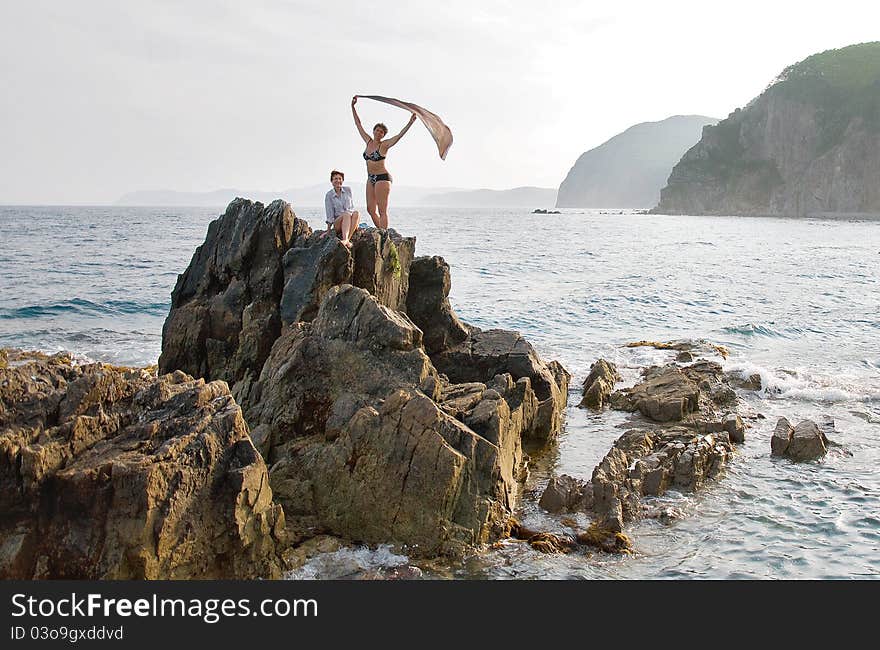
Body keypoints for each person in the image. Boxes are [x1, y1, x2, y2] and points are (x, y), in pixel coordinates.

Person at [351, 95, 417, 229]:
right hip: (370, 178)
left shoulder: (384, 145)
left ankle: (383, 234)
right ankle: (380, 230)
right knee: (370, 209)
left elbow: (398, 136)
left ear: (383, 135)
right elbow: (358, 124)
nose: (379, 132)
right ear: (374, 131)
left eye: (382, 132)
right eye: (377, 130)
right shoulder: (368, 141)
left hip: (382, 178)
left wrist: (410, 122)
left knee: (382, 211)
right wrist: (353, 107)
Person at [324, 170, 359, 248]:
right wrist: (328, 230)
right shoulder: (329, 195)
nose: (338, 180)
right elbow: (329, 214)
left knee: (356, 213)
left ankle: (347, 240)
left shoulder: (348, 190)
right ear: (332, 181)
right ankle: (345, 238)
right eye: (335, 179)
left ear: (342, 180)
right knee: (346, 214)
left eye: (340, 178)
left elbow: (351, 208)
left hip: (350, 220)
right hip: (338, 223)